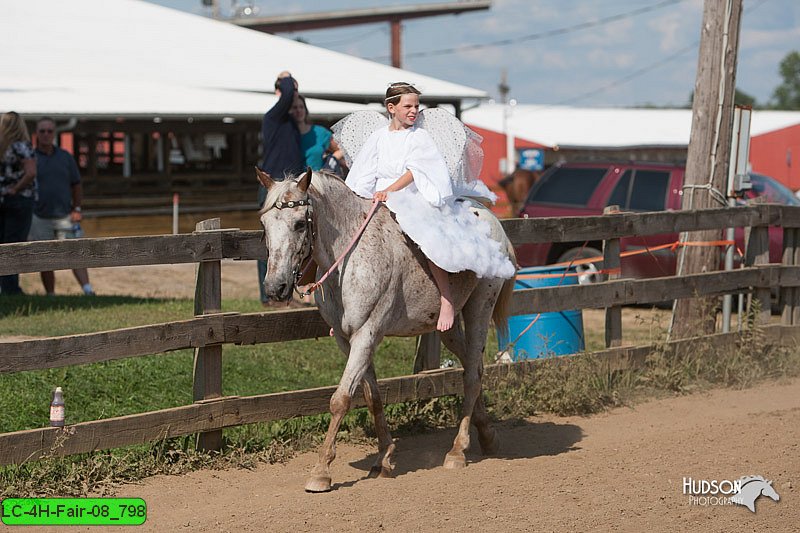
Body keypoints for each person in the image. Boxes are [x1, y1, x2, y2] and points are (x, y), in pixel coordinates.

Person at [344, 82, 515, 331]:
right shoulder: (379, 137)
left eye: (416, 106)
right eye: (408, 106)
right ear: (391, 108)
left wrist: (390, 191)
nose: (414, 111)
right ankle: (347, 304)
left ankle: (446, 298)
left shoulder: (419, 136)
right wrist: (364, 194)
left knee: (427, 238)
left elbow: (417, 170)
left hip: (412, 195)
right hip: (380, 194)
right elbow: (364, 169)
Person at [28, 117, 94, 296]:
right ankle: (51, 294)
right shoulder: (31, 158)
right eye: (42, 131)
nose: (46, 135)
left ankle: (88, 290)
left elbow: (77, 184)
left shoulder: (65, 157)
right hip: (40, 217)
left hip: (65, 215)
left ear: (54, 133)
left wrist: (77, 209)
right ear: (37, 134)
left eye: (49, 131)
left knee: (75, 253)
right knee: (45, 258)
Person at [257, 71, 305, 306]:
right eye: (290, 94)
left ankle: (286, 292)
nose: (293, 99)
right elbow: (286, 92)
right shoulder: (273, 116)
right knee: (272, 241)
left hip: (290, 190)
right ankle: (269, 295)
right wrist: (286, 78)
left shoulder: (292, 126)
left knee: (292, 242)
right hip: (274, 186)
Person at [0, 112, 37, 295]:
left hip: (2, 198)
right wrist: (16, 188)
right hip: (19, 199)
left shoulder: (2, 147)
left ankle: (4, 286)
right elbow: (30, 172)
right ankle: (10, 289)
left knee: (2, 243)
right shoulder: (21, 145)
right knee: (13, 245)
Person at [289, 94, 347, 175]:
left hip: (318, 183)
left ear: (305, 109)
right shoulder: (286, 136)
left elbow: (341, 150)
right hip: (295, 184)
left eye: (301, 107)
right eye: (295, 108)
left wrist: (331, 160)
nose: (299, 110)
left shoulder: (319, 132)